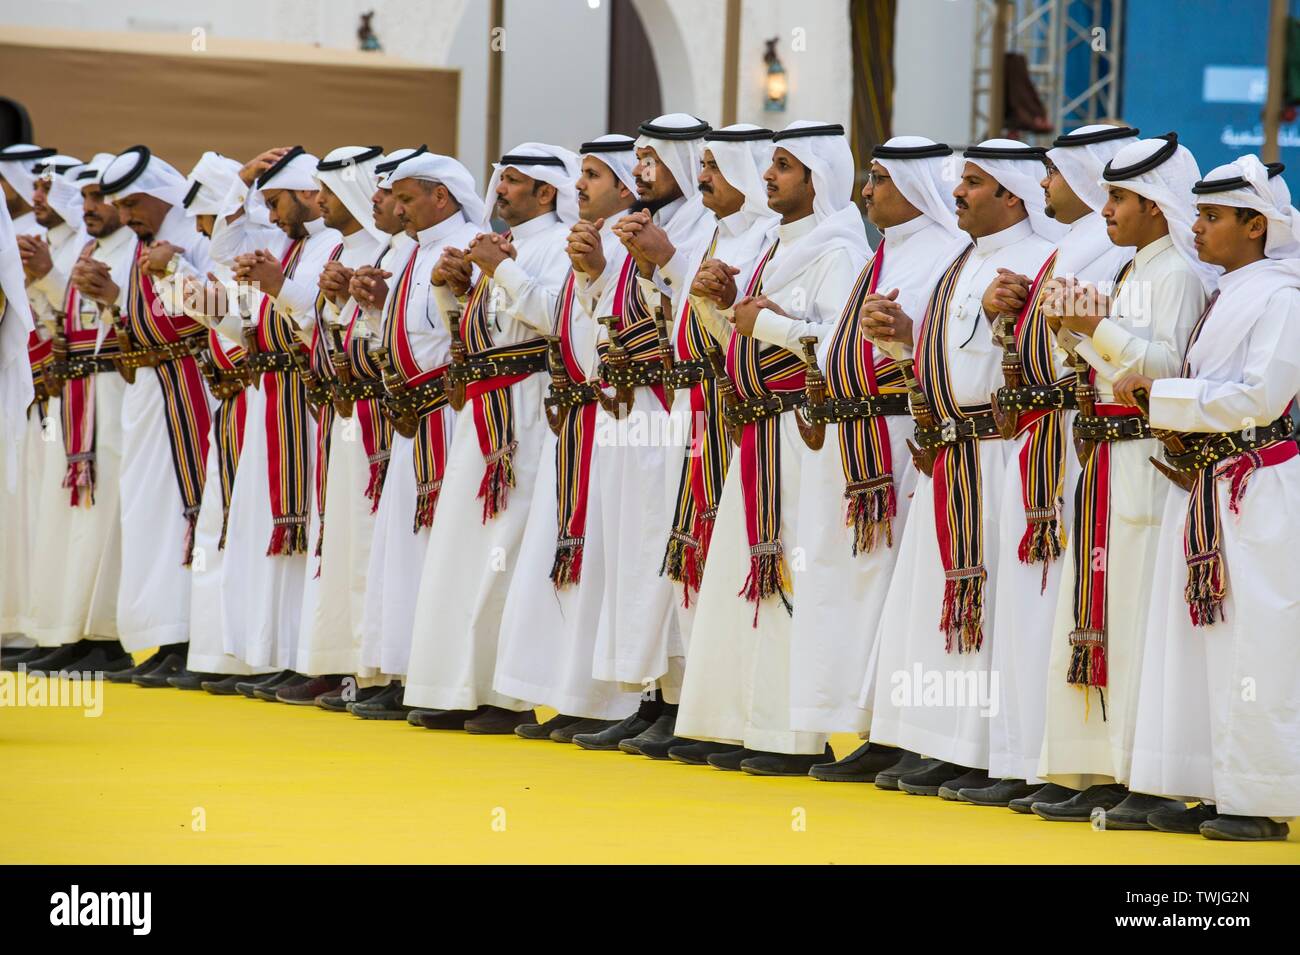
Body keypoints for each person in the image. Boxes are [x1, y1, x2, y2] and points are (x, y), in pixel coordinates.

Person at [862, 140, 1060, 797]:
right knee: (938, 601)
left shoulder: (1040, 260)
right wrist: (898, 334)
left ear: (1011, 194)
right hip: (950, 452)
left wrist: (1024, 311)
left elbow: (1049, 361)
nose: (960, 193)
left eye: (974, 183)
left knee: (994, 602)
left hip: (1004, 453)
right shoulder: (961, 261)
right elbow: (940, 360)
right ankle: (941, 742)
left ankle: (988, 750)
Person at [674, 120, 869, 775]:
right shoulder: (775, 248)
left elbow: (841, 346)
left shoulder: (840, 251)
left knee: (792, 571)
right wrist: (716, 306)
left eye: (784, 165)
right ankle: (736, 720)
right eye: (772, 164)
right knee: (742, 569)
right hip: (758, 428)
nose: (769, 176)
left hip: (804, 432)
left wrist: (768, 323)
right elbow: (742, 334)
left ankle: (790, 733)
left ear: (817, 178)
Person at [1034, 132, 1214, 826]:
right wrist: (1073, 335)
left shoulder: (1177, 273)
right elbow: (1113, 359)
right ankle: (1096, 767)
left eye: (1118, 197)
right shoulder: (1135, 267)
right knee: (1096, 612)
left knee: (1136, 616)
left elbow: (1167, 370)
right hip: (1105, 458)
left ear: (1156, 205)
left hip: (1146, 462)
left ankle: (1141, 769)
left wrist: (1096, 328)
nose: (1105, 208)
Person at [1120, 155, 1299, 842]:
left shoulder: (1283, 294)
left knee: (1256, 643)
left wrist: (1161, 397)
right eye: (1196, 214)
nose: (1196, 228)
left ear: (1257, 225)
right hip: (1212, 484)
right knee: (1203, 638)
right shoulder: (1236, 288)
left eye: (1212, 216)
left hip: (1261, 486)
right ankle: (1206, 782)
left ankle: (1258, 798)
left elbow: (1261, 396)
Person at [965, 124, 1139, 808]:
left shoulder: (1104, 250)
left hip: (1076, 439)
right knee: (1026, 604)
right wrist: (1003, 315)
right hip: (1037, 439)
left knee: (1062, 604)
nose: (1044, 185)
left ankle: (1069, 768)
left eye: (1055, 173)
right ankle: (1023, 755)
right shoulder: (1071, 246)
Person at [794, 137, 967, 783]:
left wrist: (906, 339)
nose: (868, 192)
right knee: (848, 583)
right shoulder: (885, 252)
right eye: (868, 179)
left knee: (891, 584)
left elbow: (949, 354)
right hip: (851, 442)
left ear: (918, 186)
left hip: (900, 442)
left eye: (882, 180)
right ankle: (866, 722)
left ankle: (899, 730)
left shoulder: (947, 254)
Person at [402, 144, 575, 735]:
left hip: (528, 413)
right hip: (483, 414)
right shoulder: (505, 246)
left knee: (511, 551)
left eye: (513, 182)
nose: (498, 191)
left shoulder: (559, 244)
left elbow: (555, 318)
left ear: (546, 192)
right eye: (499, 180)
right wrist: (455, 287)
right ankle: (459, 687)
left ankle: (508, 695)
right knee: (464, 550)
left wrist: (496, 269)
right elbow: (473, 333)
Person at [566, 114, 719, 751]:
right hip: (627, 415)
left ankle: (685, 701)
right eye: (639, 159)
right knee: (633, 553)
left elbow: (703, 316)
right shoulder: (636, 227)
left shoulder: (705, 229)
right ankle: (650, 696)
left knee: (670, 549)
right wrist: (596, 270)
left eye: (654, 159)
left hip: (674, 411)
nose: (643, 171)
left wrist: (666, 260)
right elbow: (607, 318)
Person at [492, 134, 642, 740]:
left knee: (603, 557)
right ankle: (572, 695)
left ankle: (611, 704)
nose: (582, 186)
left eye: (595, 175)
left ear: (626, 187)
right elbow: (564, 322)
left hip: (623, 417)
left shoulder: (628, 244)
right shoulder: (587, 240)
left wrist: (592, 272)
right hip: (579, 419)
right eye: (581, 174)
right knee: (562, 556)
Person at [81, 146, 216, 685]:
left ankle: (189, 637)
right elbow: (138, 330)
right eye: (123, 204)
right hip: (150, 398)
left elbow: (214, 317)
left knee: (182, 512)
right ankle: (162, 639)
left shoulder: (197, 244)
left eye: (135, 203)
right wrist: (116, 300)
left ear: (162, 196)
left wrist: (176, 268)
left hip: (191, 392)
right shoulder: (142, 249)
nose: (128, 214)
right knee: (146, 514)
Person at [17, 154, 137, 675]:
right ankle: (65, 630)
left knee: (106, 515)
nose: (89, 207)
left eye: (99, 197)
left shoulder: (134, 248)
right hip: (75, 399)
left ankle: (104, 637)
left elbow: (134, 316)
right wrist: (44, 280)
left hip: (116, 395)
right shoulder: (88, 246)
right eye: (86, 197)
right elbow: (60, 321)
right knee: (65, 516)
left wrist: (51, 275)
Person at [280, 146, 389, 704]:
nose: (318, 200)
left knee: (367, 537)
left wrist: (348, 301)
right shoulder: (342, 248)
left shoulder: (389, 249)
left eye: (327, 190)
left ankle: (367, 670)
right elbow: (316, 333)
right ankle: (332, 660)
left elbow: (384, 333)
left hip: (378, 415)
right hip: (340, 411)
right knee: (337, 535)